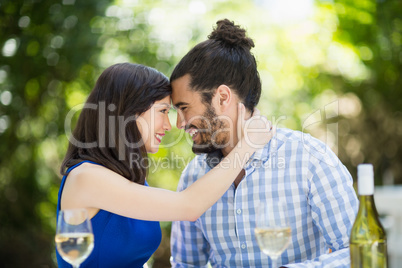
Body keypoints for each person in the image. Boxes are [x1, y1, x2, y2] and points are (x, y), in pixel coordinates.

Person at [169, 19, 358, 267]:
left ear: (222, 97)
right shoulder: (193, 177)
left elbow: (358, 253)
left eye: (184, 108)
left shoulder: (309, 158)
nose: (179, 123)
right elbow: (185, 264)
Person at [56, 62, 274, 267]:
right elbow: (189, 206)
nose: (169, 126)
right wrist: (247, 146)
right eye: (162, 111)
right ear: (129, 112)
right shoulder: (86, 177)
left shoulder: (127, 178)